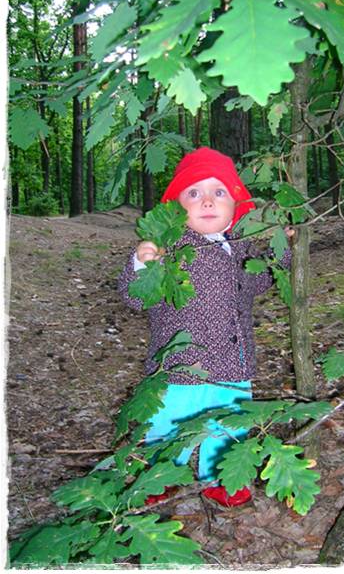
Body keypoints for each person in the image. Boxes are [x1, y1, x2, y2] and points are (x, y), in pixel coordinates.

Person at [118, 146, 291, 507]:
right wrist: (141, 262)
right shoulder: (168, 249)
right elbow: (136, 298)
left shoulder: (241, 249)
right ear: (176, 208)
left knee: (229, 422)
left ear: (235, 207)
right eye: (194, 193)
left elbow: (260, 281)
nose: (207, 201)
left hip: (232, 360)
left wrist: (281, 247)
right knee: (168, 421)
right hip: (180, 363)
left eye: (219, 192)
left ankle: (225, 476)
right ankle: (160, 474)